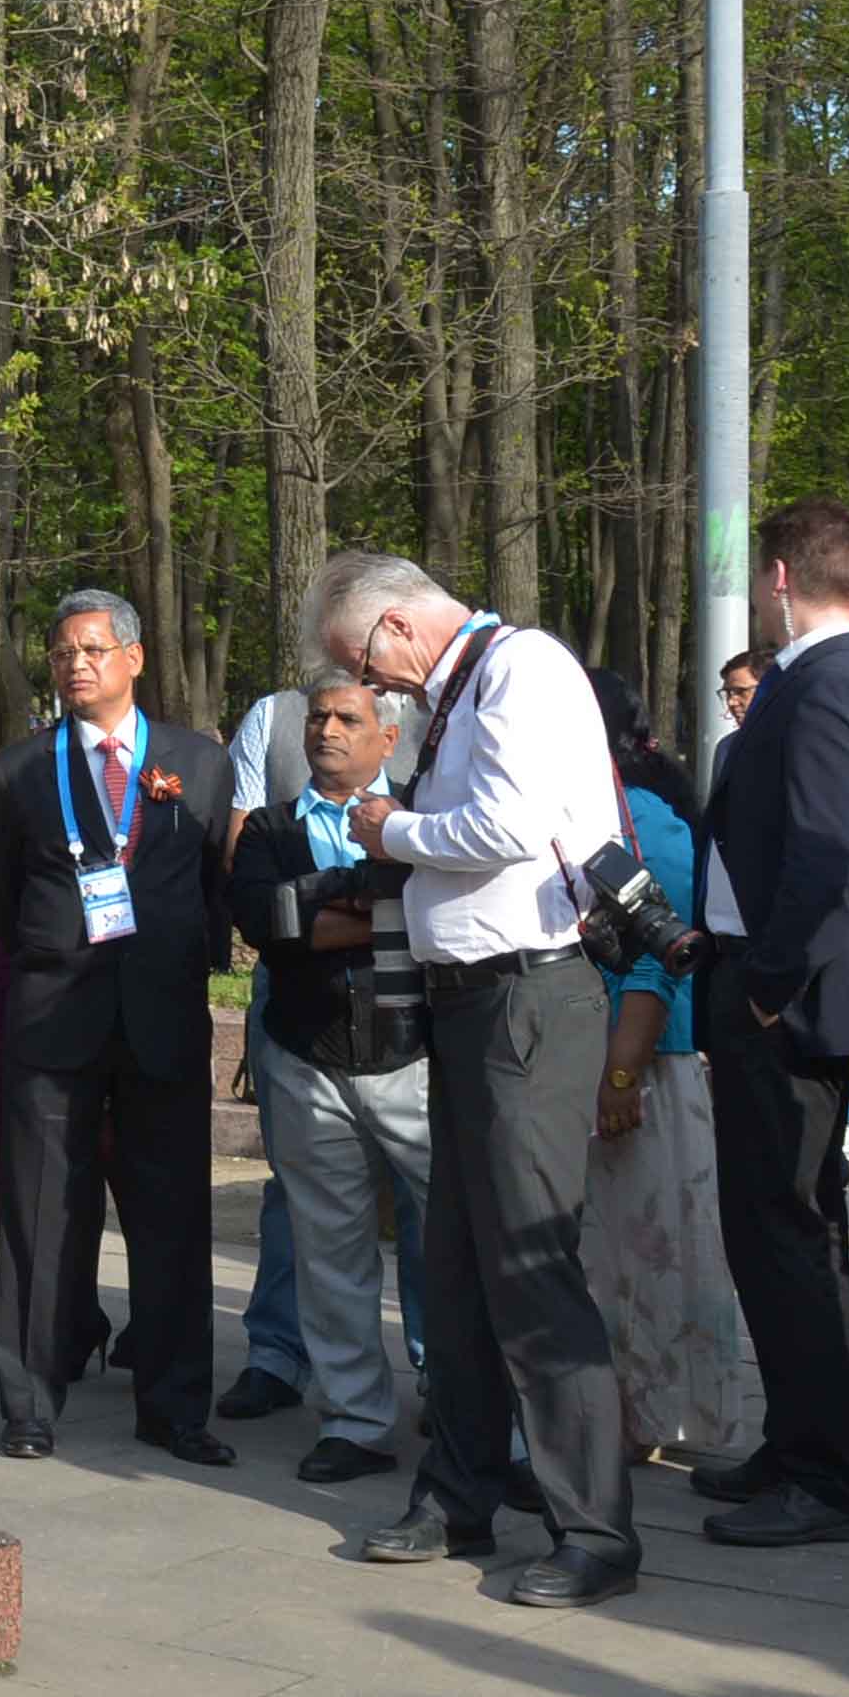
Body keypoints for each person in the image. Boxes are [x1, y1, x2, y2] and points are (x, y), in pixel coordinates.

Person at [326, 550, 642, 1607]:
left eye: (363, 668)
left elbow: (506, 827)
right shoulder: (462, 691)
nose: (371, 692)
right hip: (472, 1004)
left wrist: (391, 830)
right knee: (454, 1258)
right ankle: (457, 1491)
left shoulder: (520, 670)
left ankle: (593, 1528)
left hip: (527, 1000)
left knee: (527, 1264)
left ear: (398, 628)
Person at [690, 498, 849, 1551]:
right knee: (773, 1231)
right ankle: (795, 1444)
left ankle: (822, 1477)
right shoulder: (818, 681)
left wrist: (765, 983)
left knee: (787, 1232)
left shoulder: (826, 686)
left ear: (777, 577)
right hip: (767, 986)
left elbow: (826, 853)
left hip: (787, 1003)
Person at [0, 590, 235, 1463]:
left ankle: (173, 1407)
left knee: (170, 1215)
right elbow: (1, 899)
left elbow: (208, 885)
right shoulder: (15, 771)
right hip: (53, 1016)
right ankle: (32, 1399)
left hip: (159, 1015)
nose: (75, 664)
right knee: (44, 1211)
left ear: (134, 658)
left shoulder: (196, 761)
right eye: (60, 653)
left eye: (91, 649)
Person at [228, 680, 434, 1483]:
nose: (327, 730)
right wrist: (380, 902)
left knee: (444, 1239)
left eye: (349, 719)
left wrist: (324, 910)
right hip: (306, 1059)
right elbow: (267, 922)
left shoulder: (420, 820)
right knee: (330, 1249)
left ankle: (457, 1395)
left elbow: (436, 907)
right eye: (318, 717)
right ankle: (354, 1421)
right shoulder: (272, 828)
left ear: (389, 740)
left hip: (416, 1059)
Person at [585, 664, 756, 1473]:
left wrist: (622, 1072)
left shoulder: (649, 819)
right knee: (591, 1254)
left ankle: (645, 1415)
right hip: (567, 1056)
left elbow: (661, 958)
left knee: (643, 1252)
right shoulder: (558, 810)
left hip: (644, 1064)